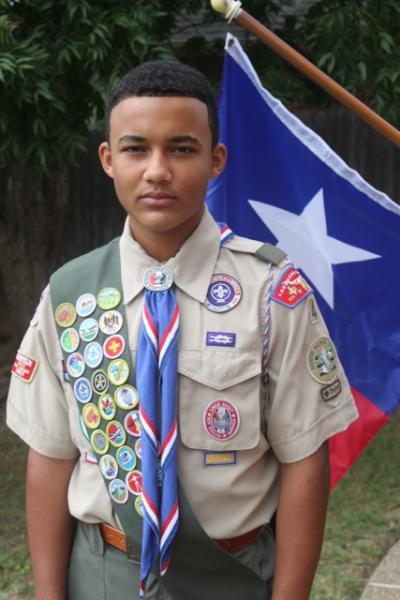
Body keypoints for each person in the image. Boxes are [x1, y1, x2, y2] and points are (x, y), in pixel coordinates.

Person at [7, 59, 358, 600]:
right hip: (104, 574)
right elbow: (50, 459)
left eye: (181, 148)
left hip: (231, 574)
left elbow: (305, 459)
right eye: (135, 149)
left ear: (216, 160)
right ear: (107, 160)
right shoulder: (70, 296)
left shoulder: (271, 294)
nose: (157, 170)